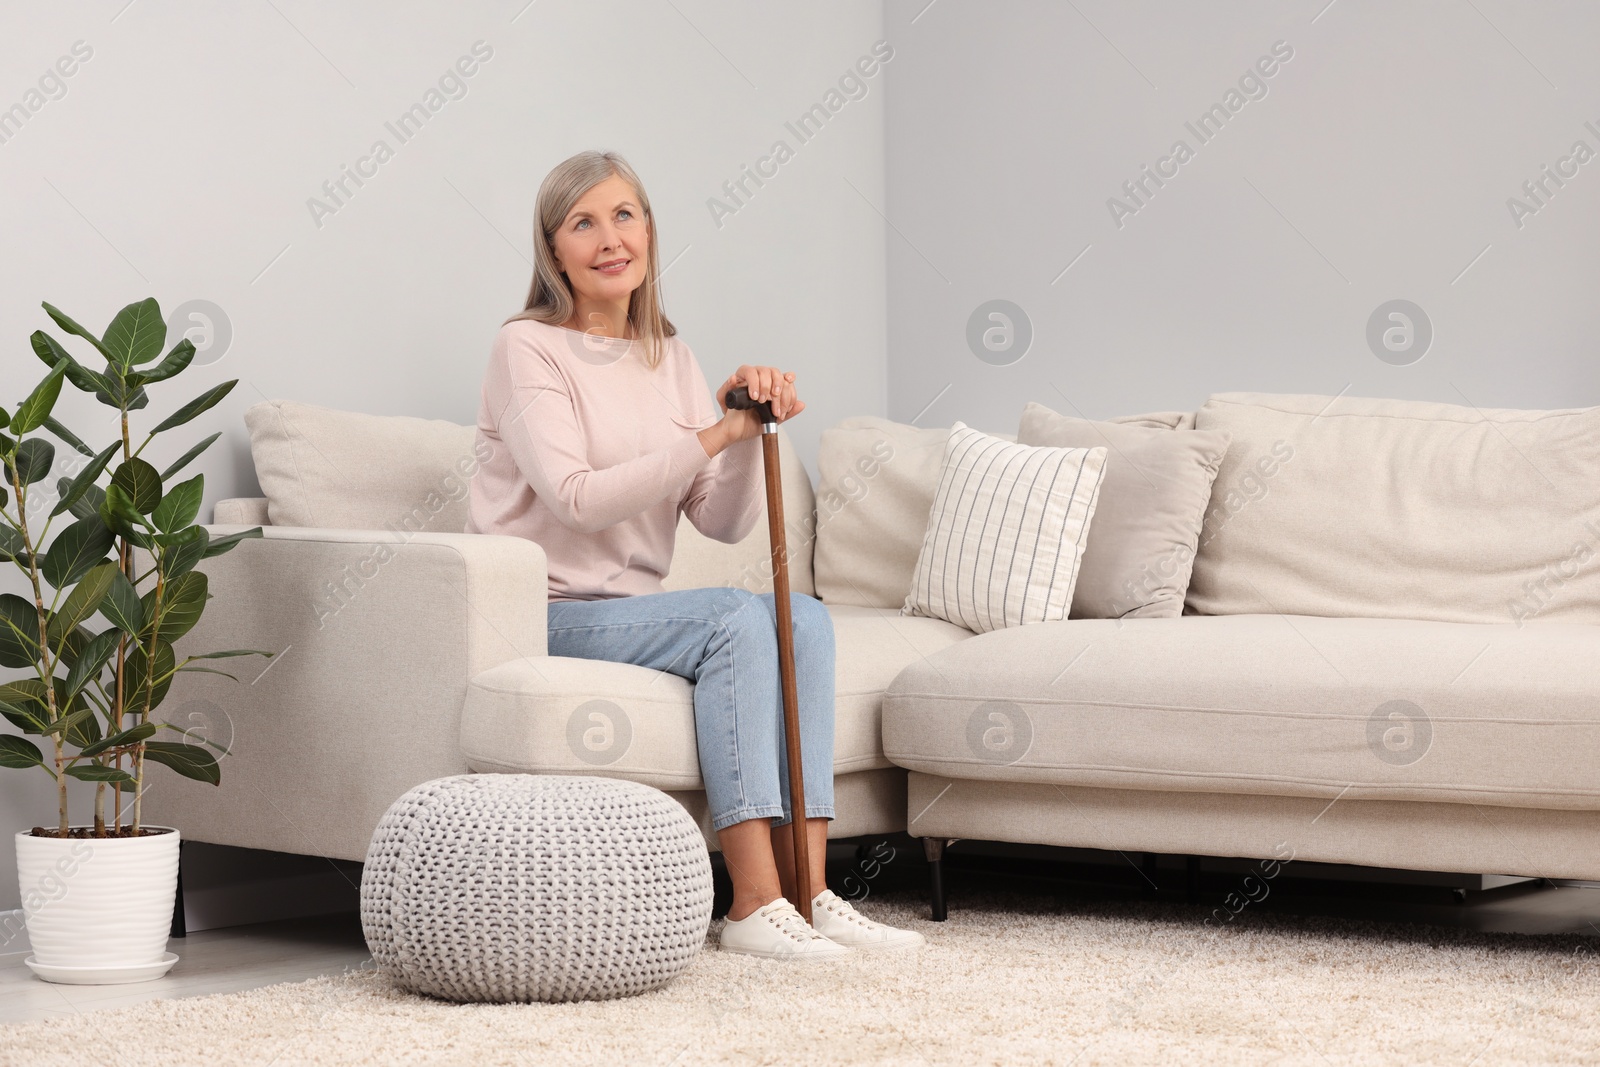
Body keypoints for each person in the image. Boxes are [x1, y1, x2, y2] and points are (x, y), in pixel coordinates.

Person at [465, 149, 923, 960]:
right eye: (583, 222)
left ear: (648, 230)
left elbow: (721, 518)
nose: (610, 238)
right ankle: (751, 901)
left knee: (802, 618)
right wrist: (711, 433)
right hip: (545, 613)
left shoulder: (668, 355)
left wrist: (745, 432)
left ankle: (810, 891)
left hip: (632, 613)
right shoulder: (527, 349)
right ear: (554, 249)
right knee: (730, 618)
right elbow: (575, 495)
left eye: (624, 215)